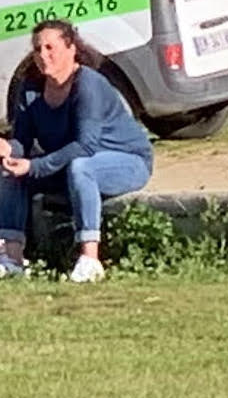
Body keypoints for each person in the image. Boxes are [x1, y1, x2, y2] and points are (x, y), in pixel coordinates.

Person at [2, 19, 153, 282]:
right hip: (68, 164)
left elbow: (85, 145)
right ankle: (11, 258)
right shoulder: (30, 88)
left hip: (127, 162)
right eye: (37, 49)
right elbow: (22, 142)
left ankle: (90, 259)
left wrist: (34, 166)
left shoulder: (88, 84)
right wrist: (8, 150)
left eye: (50, 47)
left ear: (71, 49)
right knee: (8, 172)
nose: (43, 55)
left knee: (82, 167)